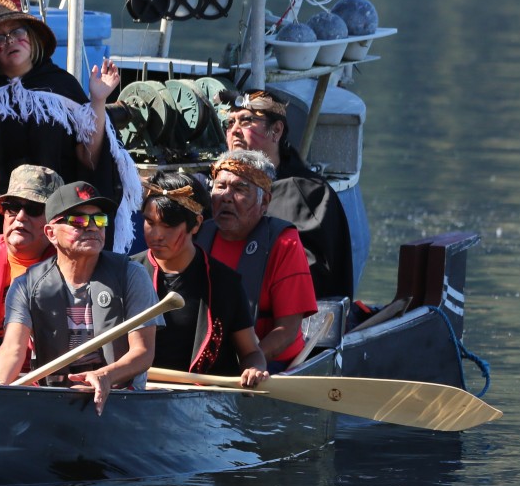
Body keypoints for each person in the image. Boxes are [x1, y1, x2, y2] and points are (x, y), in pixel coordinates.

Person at [0, 0, 141, 250]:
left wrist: (98, 100)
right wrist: (8, 208)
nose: (9, 41)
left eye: (16, 32)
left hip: (58, 221)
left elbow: (89, 160)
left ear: (31, 37)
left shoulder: (62, 86)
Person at [0, 181, 163, 413]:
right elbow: (12, 349)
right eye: (78, 221)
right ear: (51, 233)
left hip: (121, 400)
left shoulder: (131, 274)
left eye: (99, 220)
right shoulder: (25, 285)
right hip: (54, 400)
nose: (92, 227)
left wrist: (104, 376)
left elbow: (143, 352)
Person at [131, 172, 268, 386]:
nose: (156, 235)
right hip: (140, 396)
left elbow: (251, 352)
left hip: (205, 399)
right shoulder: (126, 273)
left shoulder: (224, 282)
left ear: (196, 224)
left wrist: (254, 369)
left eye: (168, 226)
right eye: (150, 222)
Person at [222, 90, 355, 298]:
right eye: (230, 123)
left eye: (246, 121)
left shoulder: (308, 194)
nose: (234, 131)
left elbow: (309, 281)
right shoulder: (219, 192)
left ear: (276, 130)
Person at [195, 150, 318, 368]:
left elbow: (287, 329)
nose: (226, 197)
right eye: (220, 186)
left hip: (269, 361)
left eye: (240, 189)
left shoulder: (284, 243)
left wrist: (249, 361)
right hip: (209, 358)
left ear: (265, 202)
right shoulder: (198, 235)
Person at [0, 163, 59, 357]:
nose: (21, 217)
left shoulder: (72, 269)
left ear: (54, 220)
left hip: (42, 373)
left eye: (34, 209)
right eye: (13, 207)